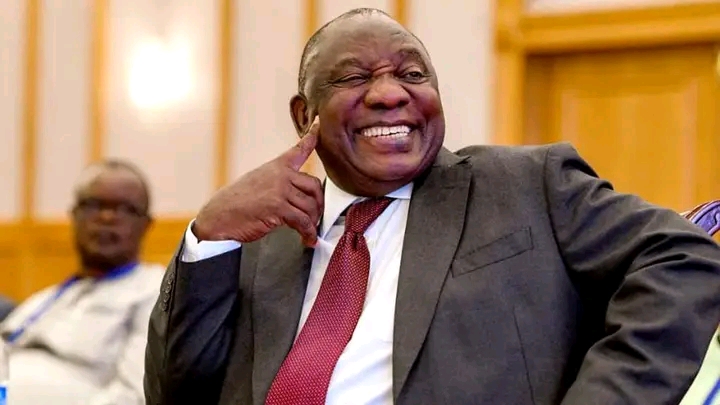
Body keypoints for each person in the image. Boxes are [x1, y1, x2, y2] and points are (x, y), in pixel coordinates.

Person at [144, 8, 720, 405]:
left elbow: (685, 258)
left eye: (412, 74)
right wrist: (207, 239)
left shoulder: (524, 184)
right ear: (304, 116)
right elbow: (176, 393)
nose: (390, 93)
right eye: (355, 77)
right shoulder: (261, 234)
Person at [1, 159, 164, 405]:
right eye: (94, 205)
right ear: (74, 216)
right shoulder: (45, 298)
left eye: (125, 209)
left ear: (146, 225)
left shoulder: (154, 292)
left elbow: (133, 394)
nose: (107, 217)